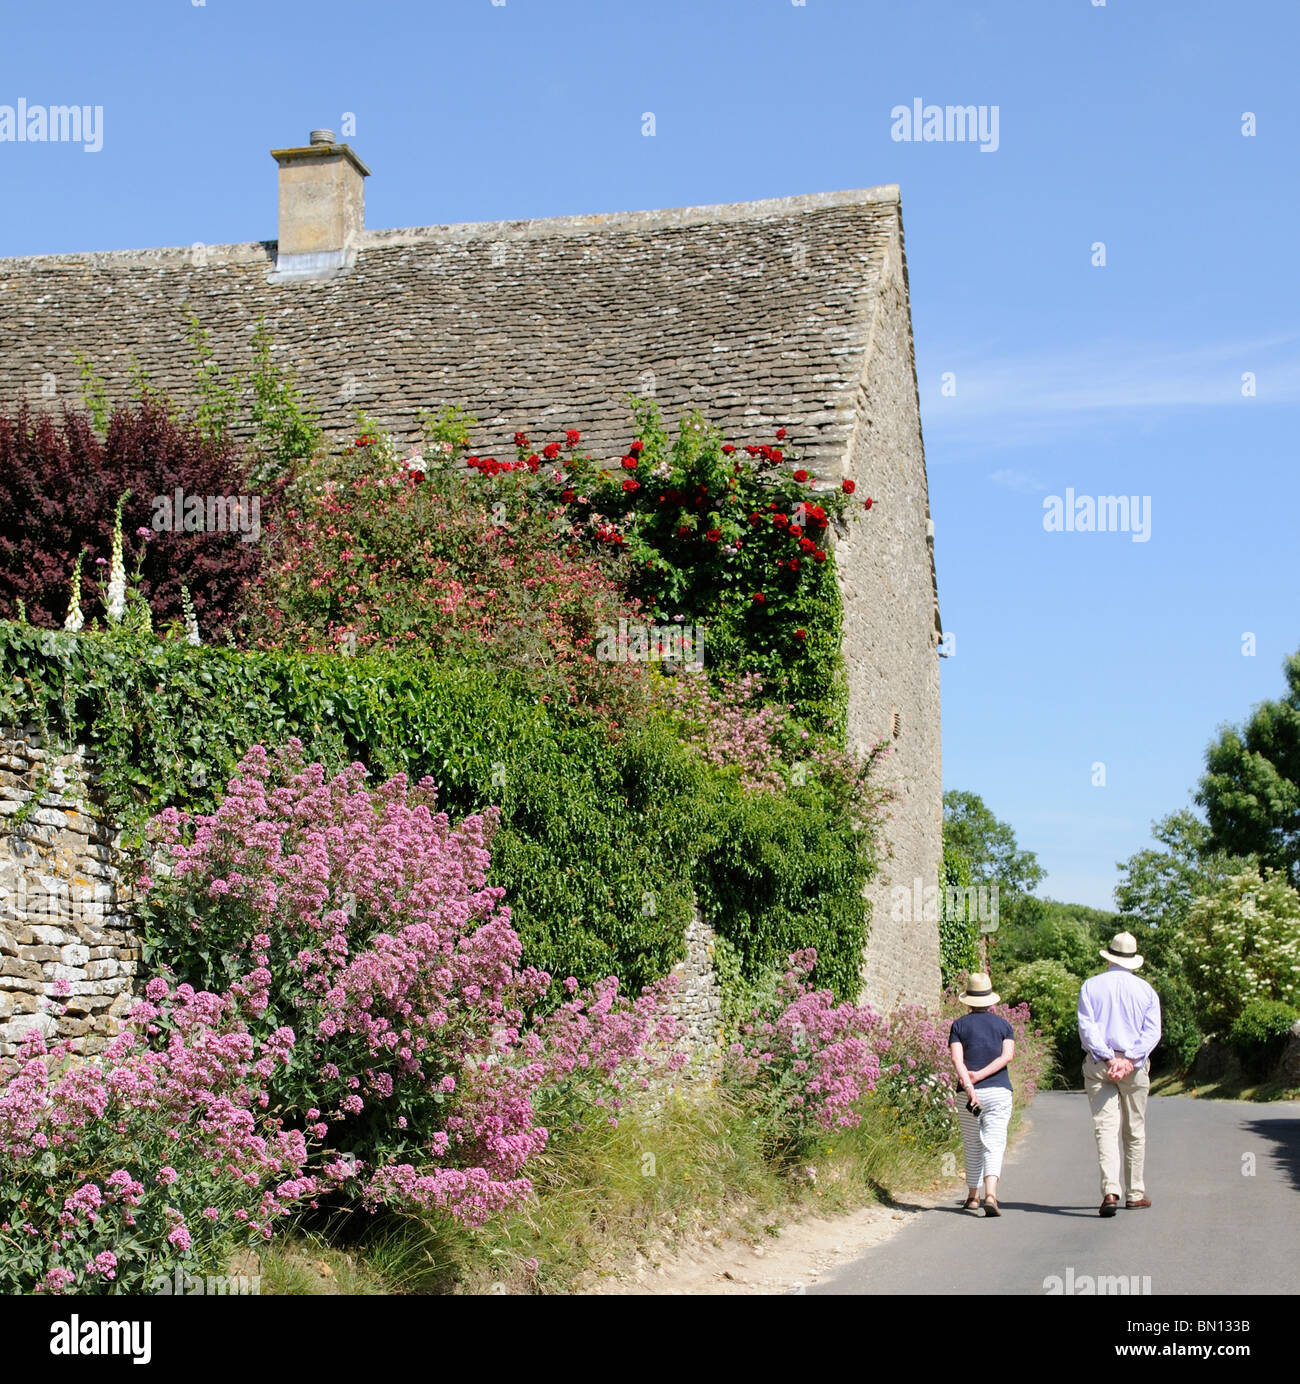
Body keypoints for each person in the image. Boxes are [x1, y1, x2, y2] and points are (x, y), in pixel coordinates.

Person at [1077, 931, 1162, 1218]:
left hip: (1100, 1064)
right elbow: (1152, 1032)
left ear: (1109, 956)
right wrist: (1129, 1060)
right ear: (1133, 959)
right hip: (1134, 1068)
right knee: (1134, 1130)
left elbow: (1087, 1028)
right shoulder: (1146, 991)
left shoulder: (1091, 986)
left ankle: (1110, 1191)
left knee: (1106, 1129)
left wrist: (1108, 1056)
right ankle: (1135, 1193)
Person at [948, 972, 1016, 1218]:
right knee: (994, 1143)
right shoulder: (1004, 1026)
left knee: (972, 1143)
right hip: (999, 1091)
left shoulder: (959, 1025)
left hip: (968, 1096)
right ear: (991, 1000)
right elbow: (1007, 1056)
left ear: (967, 1000)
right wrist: (982, 1075)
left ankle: (972, 1196)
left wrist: (969, 1085)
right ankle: (991, 1194)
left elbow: (957, 1059)